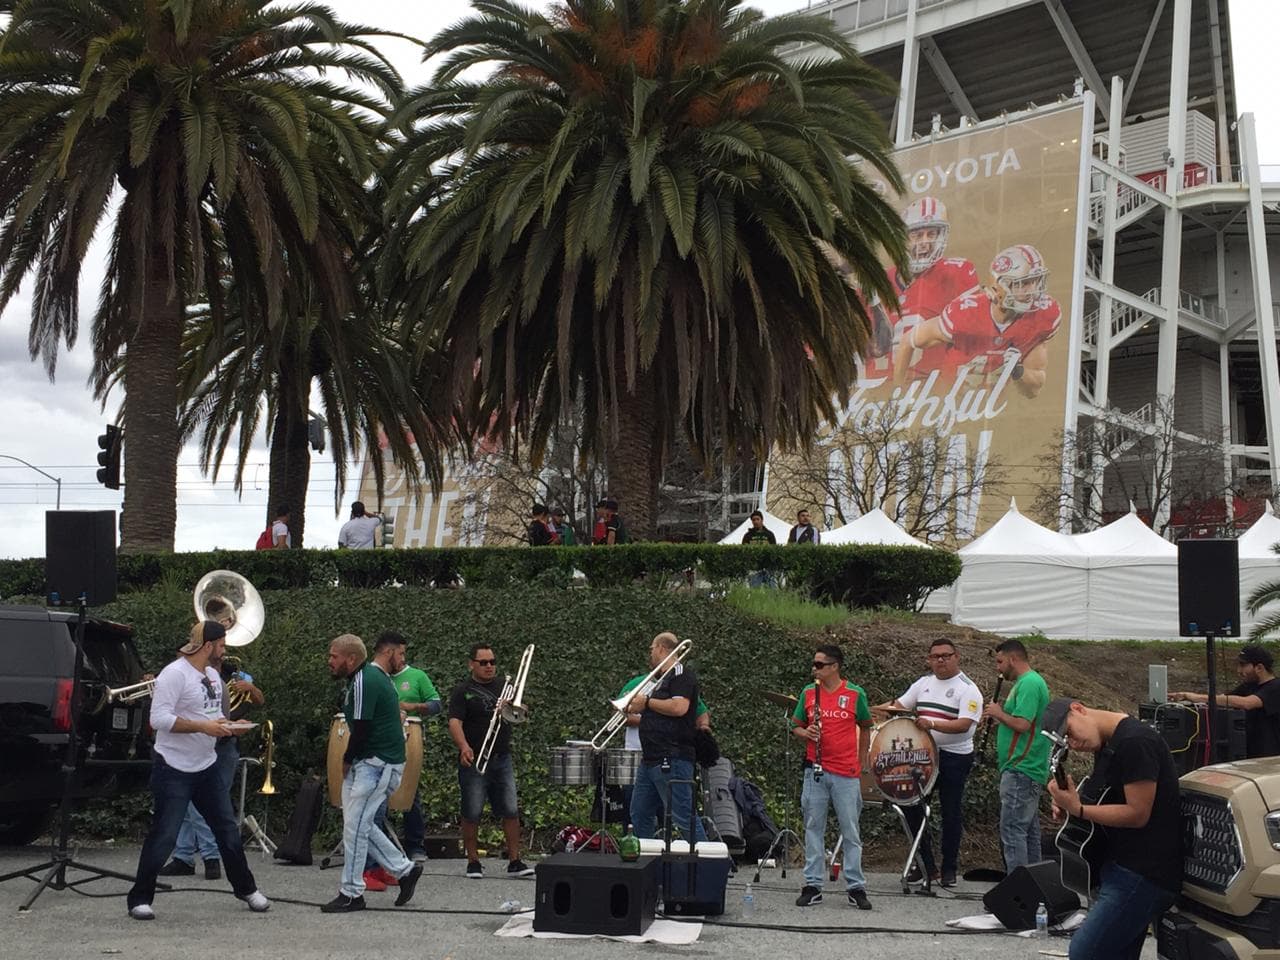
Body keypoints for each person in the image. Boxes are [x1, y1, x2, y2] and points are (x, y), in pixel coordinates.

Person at [126, 622, 270, 920]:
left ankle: (247, 889)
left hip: (206, 765)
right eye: (222, 645)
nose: (224, 651)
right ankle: (139, 898)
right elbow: (159, 719)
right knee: (164, 835)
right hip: (173, 767)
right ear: (208, 646)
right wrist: (203, 727)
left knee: (227, 830)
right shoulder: (174, 674)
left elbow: (213, 716)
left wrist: (231, 727)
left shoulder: (214, 676)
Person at [1043, 697, 1183, 960]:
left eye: (1070, 733)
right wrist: (1070, 805)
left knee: (1085, 952)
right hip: (1121, 866)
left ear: (1078, 709)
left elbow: (1138, 813)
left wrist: (1078, 809)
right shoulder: (1108, 743)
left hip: (1143, 872)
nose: (1074, 743)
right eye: (1066, 742)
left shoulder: (1136, 742)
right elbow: (1106, 802)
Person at [322, 633, 423, 913]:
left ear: (351, 658)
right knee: (358, 824)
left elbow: (362, 728)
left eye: (334, 656)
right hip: (373, 762)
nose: (330, 661)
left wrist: (347, 760)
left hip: (376, 764)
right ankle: (404, 870)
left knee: (356, 827)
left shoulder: (366, 679)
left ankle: (352, 893)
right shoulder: (369, 678)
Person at [874, 638, 982, 887]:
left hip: (955, 756)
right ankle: (925, 866)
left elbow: (965, 725)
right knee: (912, 807)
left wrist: (932, 724)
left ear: (957, 657)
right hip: (922, 755)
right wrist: (868, 708)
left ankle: (949, 868)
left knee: (950, 811)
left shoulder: (968, 689)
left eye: (946, 655)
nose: (941, 660)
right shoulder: (923, 683)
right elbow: (899, 706)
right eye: (935, 656)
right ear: (929, 660)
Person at [895, 244, 1060, 399]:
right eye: (1023, 283)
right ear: (998, 288)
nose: (1031, 290)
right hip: (944, 402)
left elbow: (1033, 389)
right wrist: (897, 393)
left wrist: (1017, 370)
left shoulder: (1043, 316)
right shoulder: (966, 313)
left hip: (989, 410)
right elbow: (908, 341)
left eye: (1034, 281)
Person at [158, 649, 264, 880]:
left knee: (207, 803)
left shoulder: (233, 675)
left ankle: (210, 856)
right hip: (197, 744)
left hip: (223, 746)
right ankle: (184, 856)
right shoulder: (184, 676)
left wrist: (251, 688)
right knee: (187, 805)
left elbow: (259, 700)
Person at [792, 644, 874, 910]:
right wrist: (805, 733)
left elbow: (866, 725)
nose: (814, 669)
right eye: (814, 664)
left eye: (819, 665)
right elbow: (795, 725)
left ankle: (856, 886)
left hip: (846, 772)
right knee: (813, 827)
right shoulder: (808, 692)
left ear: (834, 666)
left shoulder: (855, 693)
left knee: (850, 830)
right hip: (815, 769)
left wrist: (862, 761)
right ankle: (813, 884)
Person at [447, 644, 535, 879]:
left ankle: (515, 861)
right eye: (483, 662)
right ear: (471, 664)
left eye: (492, 662)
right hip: (475, 758)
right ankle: (473, 861)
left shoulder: (505, 687)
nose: (489, 666)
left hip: (502, 757)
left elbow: (520, 715)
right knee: (472, 810)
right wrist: (464, 746)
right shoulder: (462, 691)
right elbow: (454, 722)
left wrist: (516, 709)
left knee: (511, 809)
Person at [627, 632, 707, 842]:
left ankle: (708, 860)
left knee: (683, 817)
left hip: (672, 756)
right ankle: (646, 860)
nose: (650, 654)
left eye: (652, 649)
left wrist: (646, 703)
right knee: (640, 813)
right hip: (650, 759)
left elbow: (679, 707)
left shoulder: (681, 674)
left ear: (661, 648)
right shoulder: (658, 681)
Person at [982, 638, 1051, 872]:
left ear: (1013, 659)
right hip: (1025, 767)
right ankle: (1035, 886)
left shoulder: (1029, 683)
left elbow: (1022, 724)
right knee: (1028, 831)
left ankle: (1019, 886)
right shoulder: (1027, 683)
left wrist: (998, 713)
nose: (998, 668)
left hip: (1022, 766)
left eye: (1000, 662)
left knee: (1013, 830)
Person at [1171, 644, 1280, 758]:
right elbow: (1224, 699)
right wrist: (1185, 697)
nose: (1239, 670)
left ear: (1259, 668)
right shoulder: (1248, 686)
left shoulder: (1276, 687)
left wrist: (1197, 697)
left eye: (1243, 665)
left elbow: (1247, 703)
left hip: (1271, 758)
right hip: (1250, 755)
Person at [387, 632, 441, 862]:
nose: (403, 658)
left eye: (404, 654)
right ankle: (382, 845)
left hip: (410, 736)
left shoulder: (417, 676)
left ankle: (415, 845)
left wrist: (413, 706)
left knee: (410, 790)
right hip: (382, 737)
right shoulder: (378, 675)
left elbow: (436, 704)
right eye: (400, 654)